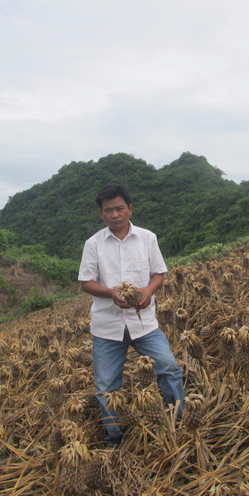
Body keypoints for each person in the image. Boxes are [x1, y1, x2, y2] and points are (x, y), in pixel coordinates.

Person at [78, 183, 185, 446]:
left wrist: (148, 291)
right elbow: (86, 282)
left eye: (119, 208)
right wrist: (111, 293)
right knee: (106, 387)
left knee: (169, 368)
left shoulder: (148, 238)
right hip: (107, 327)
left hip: (145, 324)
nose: (114, 214)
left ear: (129, 209)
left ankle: (180, 422)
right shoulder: (93, 244)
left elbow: (159, 272)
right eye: (108, 210)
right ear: (101, 214)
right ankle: (116, 438)